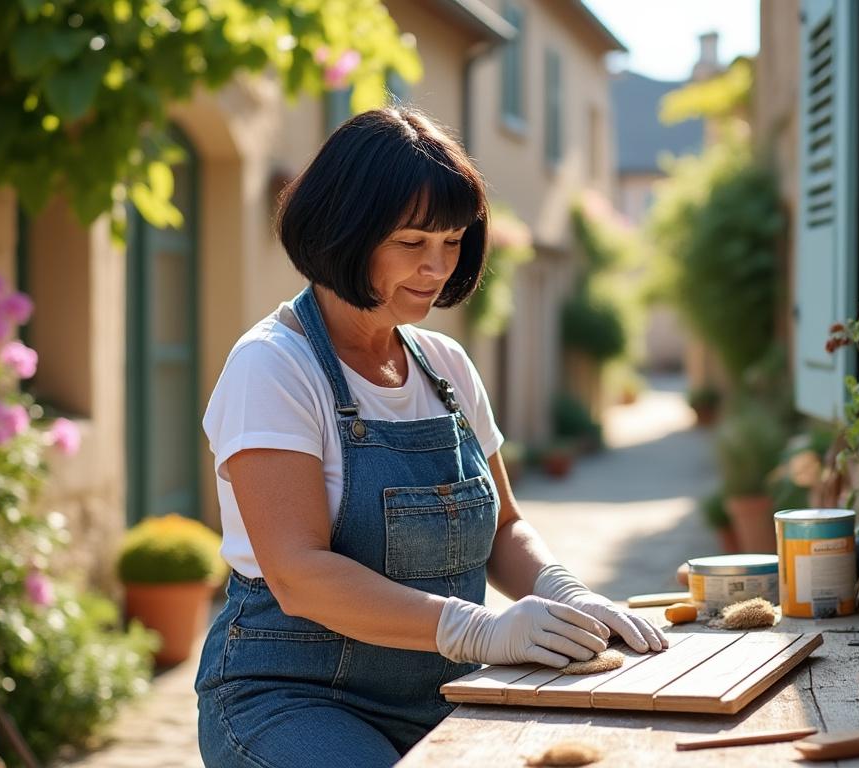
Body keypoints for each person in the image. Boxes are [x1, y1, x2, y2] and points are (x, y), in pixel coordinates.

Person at [193, 107, 667, 768]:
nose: (438, 266)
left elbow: (504, 528)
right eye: (413, 242)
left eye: (452, 241)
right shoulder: (272, 366)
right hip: (292, 700)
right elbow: (299, 574)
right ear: (346, 231)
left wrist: (565, 593)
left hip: (445, 692)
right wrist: (478, 629)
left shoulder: (445, 366)